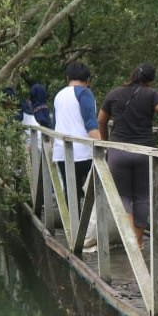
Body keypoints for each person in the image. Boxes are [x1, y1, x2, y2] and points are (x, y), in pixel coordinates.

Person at [98, 63, 158, 247]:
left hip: (118, 151)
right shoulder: (152, 94)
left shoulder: (114, 94)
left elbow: (101, 120)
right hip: (144, 152)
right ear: (151, 81)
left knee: (123, 196)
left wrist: (106, 143)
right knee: (142, 196)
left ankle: (130, 243)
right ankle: (138, 241)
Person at [52, 61, 100, 209]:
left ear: (67, 78)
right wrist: (103, 148)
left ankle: (74, 229)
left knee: (71, 192)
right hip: (82, 153)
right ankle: (89, 229)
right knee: (92, 192)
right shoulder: (85, 93)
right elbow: (91, 124)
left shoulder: (58, 95)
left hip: (61, 151)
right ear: (88, 80)